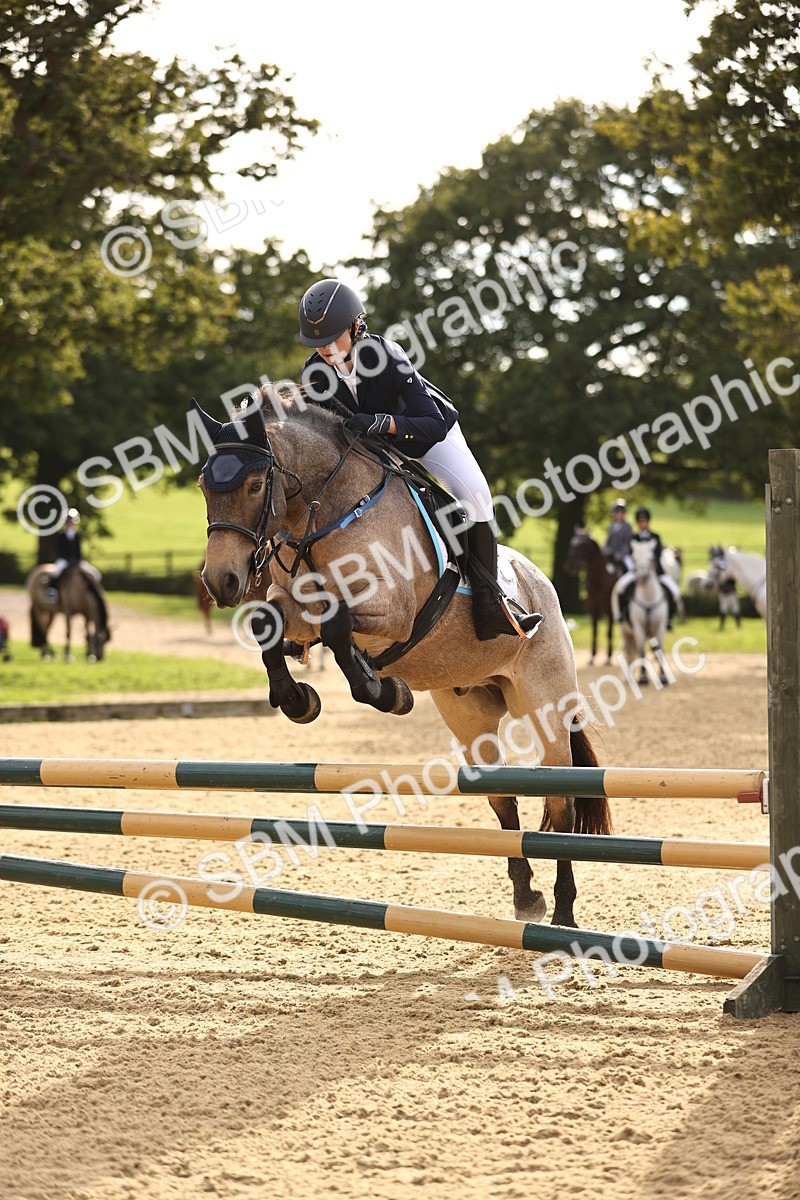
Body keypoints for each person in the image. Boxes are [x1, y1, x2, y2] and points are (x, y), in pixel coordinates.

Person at [297, 278, 541, 641]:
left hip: (427, 436)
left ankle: (490, 603)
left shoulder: (386, 356)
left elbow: (433, 423)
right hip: (376, 448)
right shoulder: (314, 375)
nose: (326, 349)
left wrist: (383, 422)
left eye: (334, 338)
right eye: (319, 343)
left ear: (356, 327)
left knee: (477, 497)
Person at [613, 506, 681, 628]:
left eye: (644, 521)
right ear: (637, 522)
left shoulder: (655, 537)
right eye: (640, 521)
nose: (642, 523)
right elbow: (629, 555)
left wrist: (653, 568)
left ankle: (669, 618)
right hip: (636, 571)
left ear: (648, 521)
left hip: (655, 572)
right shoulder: (633, 538)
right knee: (619, 588)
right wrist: (634, 569)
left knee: (675, 591)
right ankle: (622, 613)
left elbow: (658, 555)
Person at [45, 509, 101, 604]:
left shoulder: (77, 536)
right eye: (68, 521)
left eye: (71, 521)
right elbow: (60, 550)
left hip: (76, 560)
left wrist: (77, 560)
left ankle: (93, 595)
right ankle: (52, 593)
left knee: (95, 574)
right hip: (64, 560)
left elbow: (78, 551)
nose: (70, 523)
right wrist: (67, 559)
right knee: (56, 573)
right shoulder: (61, 536)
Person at [603, 499, 633, 573]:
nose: (619, 515)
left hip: (624, 555)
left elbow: (628, 543)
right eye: (617, 512)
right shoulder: (611, 526)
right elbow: (608, 541)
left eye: (621, 512)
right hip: (611, 554)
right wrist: (606, 550)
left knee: (631, 567)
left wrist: (620, 554)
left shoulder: (627, 527)